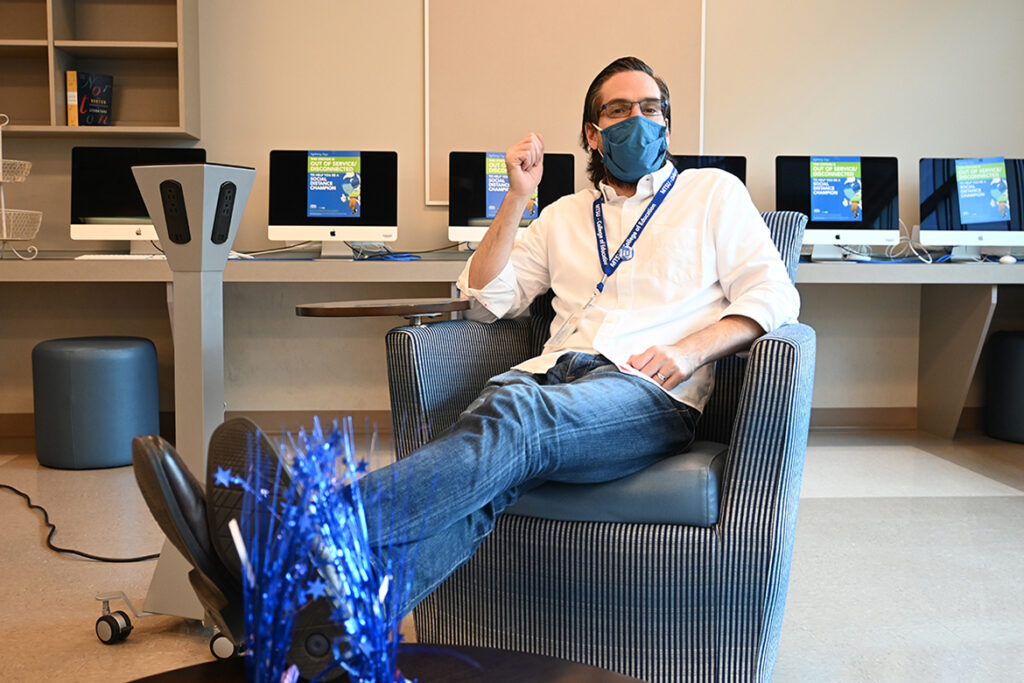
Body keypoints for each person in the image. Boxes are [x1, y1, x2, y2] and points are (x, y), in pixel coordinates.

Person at [360, 55, 800, 611]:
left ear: (667, 122)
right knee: (486, 482)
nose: (637, 118)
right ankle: (329, 627)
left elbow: (774, 295)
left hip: (645, 389)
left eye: (650, 108)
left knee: (516, 420)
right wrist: (518, 197)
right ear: (594, 134)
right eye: (618, 110)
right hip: (546, 377)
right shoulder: (563, 215)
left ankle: (307, 533)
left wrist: (690, 352)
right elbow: (486, 297)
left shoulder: (712, 193)